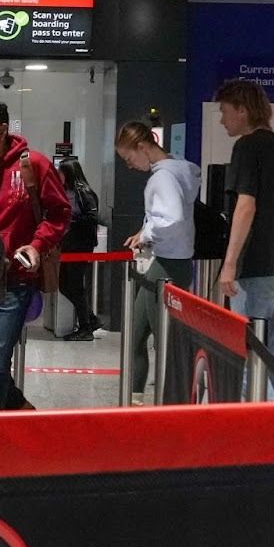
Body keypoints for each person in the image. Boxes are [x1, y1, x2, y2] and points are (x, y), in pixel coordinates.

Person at [0, 100, 71, 411]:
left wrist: (37, 244)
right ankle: (19, 406)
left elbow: (60, 213)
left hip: (16, 280)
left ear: (3, 129)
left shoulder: (32, 165)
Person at [215, 79, 274, 396]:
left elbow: (246, 206)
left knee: (250, 350)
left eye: (225, 111)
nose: (222, 119)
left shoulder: (247, 146)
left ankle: (253, 423)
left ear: (242, 110)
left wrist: (229, 264)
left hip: (255, 266)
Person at [116, 121, 201, 402]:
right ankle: (137, 399)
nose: (130, 166)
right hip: (171, 261)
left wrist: (148, 233)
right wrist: (146, 230)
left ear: (142, 147)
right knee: (138, 334)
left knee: (163, 342)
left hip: (167, 264)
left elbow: (172, 218)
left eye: (129, 158)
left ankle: (169, 402)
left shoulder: (161, 178)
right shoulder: (178, 170)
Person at [57, 158, 101, 341]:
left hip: (81, 244)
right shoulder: (67, 192)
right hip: (69, 244)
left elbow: (92, 217)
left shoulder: (84, 192)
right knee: (65, 285)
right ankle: (90, 319)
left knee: (75, 285)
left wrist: (71, 220)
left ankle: (86, 327)